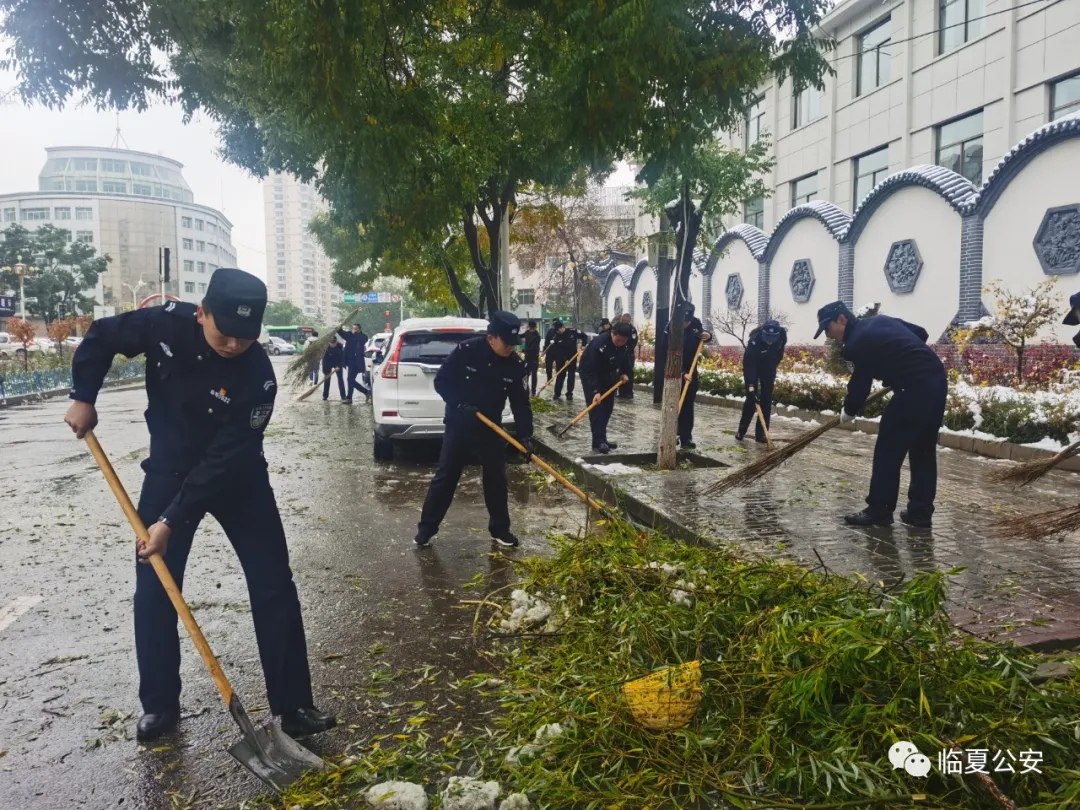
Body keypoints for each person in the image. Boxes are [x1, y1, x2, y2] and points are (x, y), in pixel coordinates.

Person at [63, 268, 335, 742]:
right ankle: (160, 705)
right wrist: (83, 396)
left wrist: (172, 519)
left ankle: (293, 706)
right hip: (167, 471)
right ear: (202, 312)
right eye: (224, 332)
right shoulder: (163, 323)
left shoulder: (258, 379)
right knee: (155, 587)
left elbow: (228, 458)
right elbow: (103, 335)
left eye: (245, 338)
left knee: (274, 583)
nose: (232, 345)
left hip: (237, 478)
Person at [814, 300, 947, 528]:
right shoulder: (881, 321)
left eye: (828, 328)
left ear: (842, 319)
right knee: (923, 449)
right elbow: (920, 333)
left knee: (888, 449)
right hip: (936, 380)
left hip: (913, 388)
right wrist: (900, 362)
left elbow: (860, 385)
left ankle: (879, 510)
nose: (828, 335)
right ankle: (920, 512)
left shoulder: (854, 344)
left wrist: (849, 409)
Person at [415, 311, 535, 549]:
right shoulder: (466, 351)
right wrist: (460, 404)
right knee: (446, 476)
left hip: (490, 428)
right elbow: (443, 381)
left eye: (514, 343)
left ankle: (500, 530)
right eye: (507, 342)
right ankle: (426, 529)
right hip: (460, 424)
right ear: (491, 338)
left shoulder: (515, 365)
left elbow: (521, 403)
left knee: (496, 479)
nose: (511, 347)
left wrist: (525, 436)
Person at [578, 322, 633, 452]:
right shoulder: (599, 344)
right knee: (597, 406)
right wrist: (596, 390)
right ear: (612, 333)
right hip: (590, 373)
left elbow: (625, 359)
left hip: (608, 372)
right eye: (618, 340)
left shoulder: (625, 344)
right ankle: (599, 440)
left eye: (623, 341)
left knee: (608, 406)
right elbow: (592, 369)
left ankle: (600, 439)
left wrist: (624, 372)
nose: (620, 343)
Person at [667, 303, 711, 449]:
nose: (685, 324)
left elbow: (702, 334)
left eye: (688, 321)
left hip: (691, 371)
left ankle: (686, 436)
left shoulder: (695, 323)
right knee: (673, 405)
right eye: (683, 321)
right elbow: (666, 355)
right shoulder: (670, 328)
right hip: (673, 371)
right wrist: (682, 372)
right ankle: (671, 434)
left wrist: (707, 335)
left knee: (687, 405)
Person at [736, 320, 787, 443]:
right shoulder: (754, 342)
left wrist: (772, 366)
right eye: (767, 337)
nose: (769, 340)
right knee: (751, 399)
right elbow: (749, 368)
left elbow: (779, 353)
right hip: (753, 365)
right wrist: (751, 386)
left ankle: (761, 434)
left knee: (766, 399)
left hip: (769, 366)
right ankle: (741, 431)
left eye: (772, 338)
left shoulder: (782, 335)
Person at [336, 323, 370, 403]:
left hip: (356, 362)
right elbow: (341, 333)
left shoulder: (363, 337)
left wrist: (354, 334)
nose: (353, 330)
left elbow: (360, 339)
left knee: (350, 379)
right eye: (353, 328)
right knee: (350, 379)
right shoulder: (349, 335)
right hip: (349, 361)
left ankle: (352, 397)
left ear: (359, 329)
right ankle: (352, 397)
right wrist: (339, 327)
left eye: (355, 329)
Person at [617, 313, 638, 399]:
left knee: (628, 372)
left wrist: (627, 348)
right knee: (621, 372)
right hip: (620, 353)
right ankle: (621, 392)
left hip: (628, 354)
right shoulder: (620, 328)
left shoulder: (632, 329)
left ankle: (629, 392)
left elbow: (633, 341)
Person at [521, 319, 542, 396]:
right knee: (525, 374)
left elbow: (534, 348)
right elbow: (521, 335)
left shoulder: (537, 336)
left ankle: (533, 391)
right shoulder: (527, 332)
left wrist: (525, 349)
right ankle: (525, 388)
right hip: (527, 357)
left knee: (534, 374)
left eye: (533, 328)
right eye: (530, 328)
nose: (531, 330)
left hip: (534, 358)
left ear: (535, 328)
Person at [543, 319, 560, 384]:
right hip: (550, 352)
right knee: (548, 366)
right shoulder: (550, 331)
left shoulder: (561, 332)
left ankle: (559, 379)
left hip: (558, 352)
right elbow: (546, 341)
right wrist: (544, 350)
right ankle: (549, 378)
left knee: (559, 366)